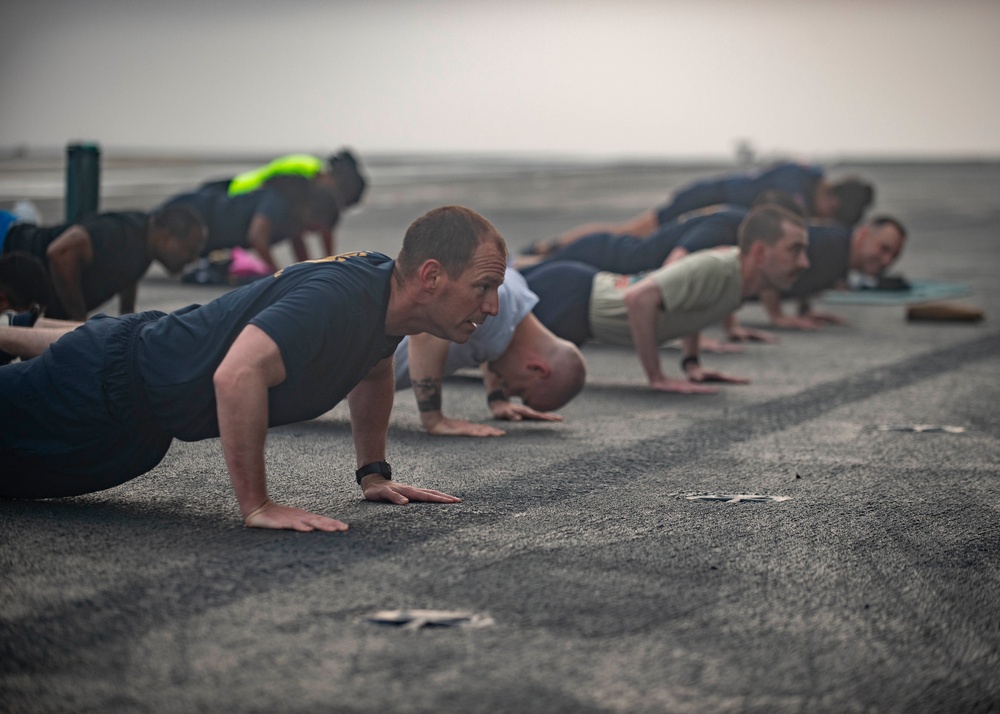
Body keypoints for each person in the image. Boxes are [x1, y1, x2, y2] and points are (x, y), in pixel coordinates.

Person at [0, 205, 507, 533]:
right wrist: (258, 506)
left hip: (136, 429)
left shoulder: (385, 302)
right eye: (483, 287)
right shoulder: (338, 298)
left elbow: (374, 369)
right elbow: (237, 376)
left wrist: (373, 475)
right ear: (432, 276)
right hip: (99, 388)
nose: (492, 307)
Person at [519, 205, 810, 393]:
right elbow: (638, 299)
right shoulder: (719, 267)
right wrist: (657, 377)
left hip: (579, 309)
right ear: (759, 252)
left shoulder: (737, 279)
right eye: (794, 250)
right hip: (570, 295)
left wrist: (692, 364)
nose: (805, 263)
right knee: (483, 331)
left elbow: (693, 305)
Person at [394, 267, 586, 437]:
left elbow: (493, 343)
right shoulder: (494, 302)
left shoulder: (514, 297)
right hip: (366, 370)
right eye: (520, 391)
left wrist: (498, 398)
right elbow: (428, 335)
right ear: (538, 368)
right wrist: (433, 419)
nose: (509, 390)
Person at [524, 162, 872, 256]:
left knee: (628, 234)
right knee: (629, 234)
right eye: (831, 215)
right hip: (702, 200)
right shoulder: (795, 191)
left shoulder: (806, 175)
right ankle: (548, 247)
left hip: (709, 197)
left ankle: (549, 247)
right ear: (835, 201)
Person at [0, 205, 206, 321]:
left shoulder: (143, 240)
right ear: (166, 238)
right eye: (190, 249)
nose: (193, 259)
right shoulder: (119, 232)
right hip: (8, 246)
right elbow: (61, 253)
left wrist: (127, 314)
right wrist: (78, 322)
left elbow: (129, 270)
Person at [204, 149, 368, 257]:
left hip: (237, 196)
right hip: (230, 194)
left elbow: (300, 230)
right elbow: (269, 187)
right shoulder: (304, 172)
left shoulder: (308, 183)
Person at [163, 176, 337, 272]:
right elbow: (257, 237)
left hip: (212, 233)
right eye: (317, 226)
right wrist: (279, 275)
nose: (314, 232)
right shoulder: (277, 201)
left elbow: (300, 250)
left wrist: (308, 274)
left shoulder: (293, 223)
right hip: (198, 210)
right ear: (310, 210)